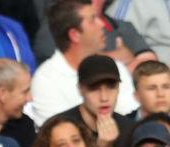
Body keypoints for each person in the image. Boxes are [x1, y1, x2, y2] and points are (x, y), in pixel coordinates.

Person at [31, 0, 138, 128]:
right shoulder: (46, 79)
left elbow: (130, 119)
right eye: (93, 19)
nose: (102, 24)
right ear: (74, 35)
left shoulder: (115, 67)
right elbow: (59, 134)